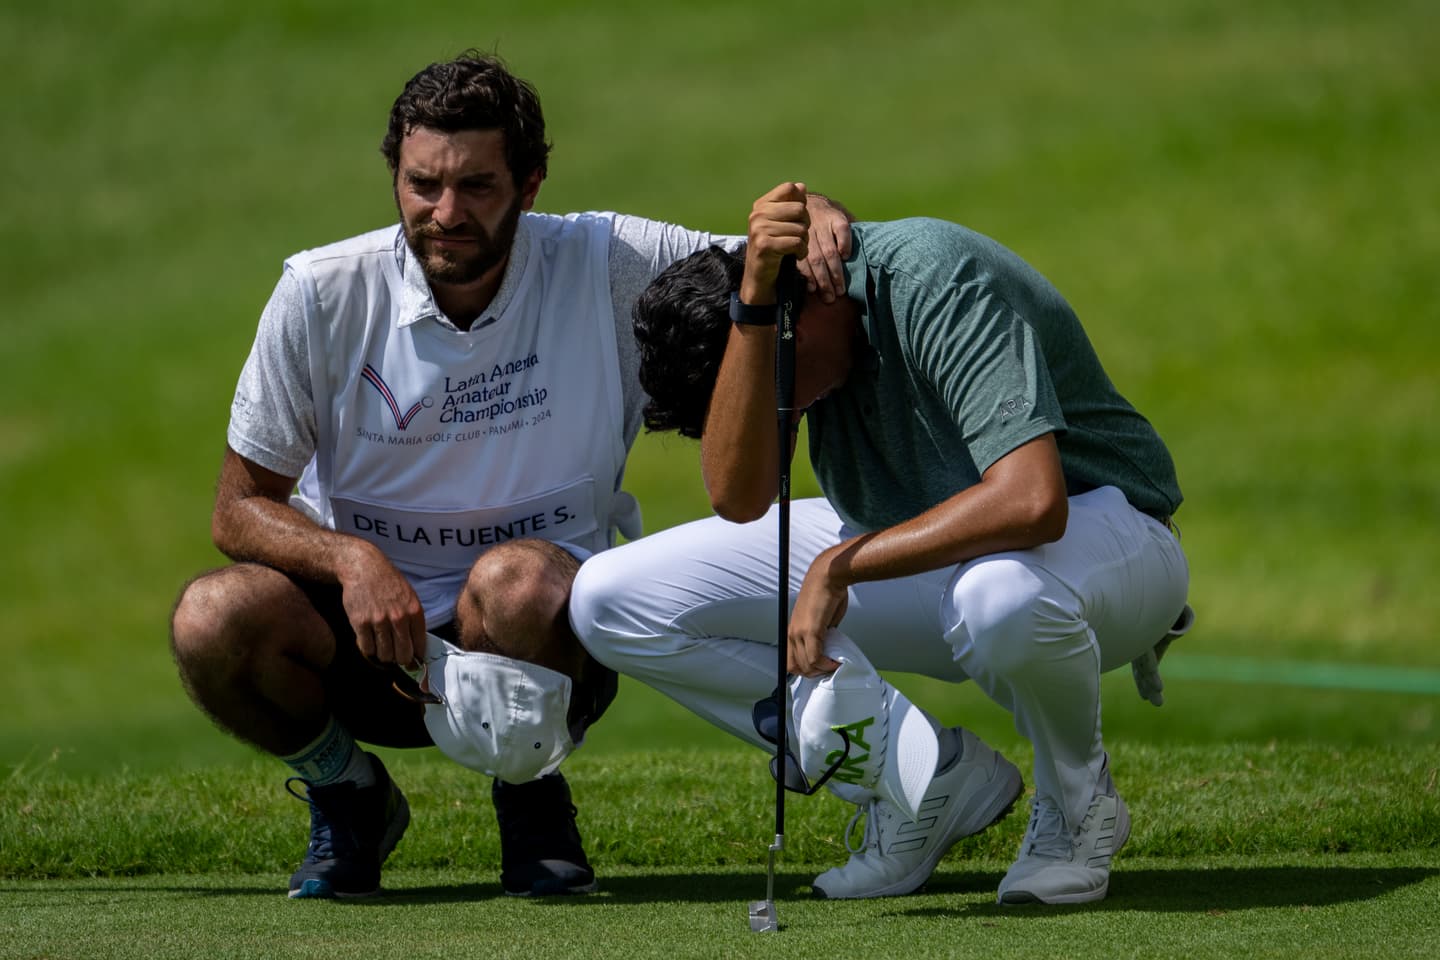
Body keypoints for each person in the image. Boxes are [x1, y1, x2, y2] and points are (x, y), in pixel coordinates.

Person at [168, 57, 852, 901]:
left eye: (477, 187)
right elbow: (239, 510)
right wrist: (351, 561)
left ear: (530, 185)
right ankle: (348, 793)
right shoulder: (320, 292)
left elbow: (759, 253)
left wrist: (816, 208)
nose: (444, 214)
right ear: (396, 173)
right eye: (422, 184)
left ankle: (530, 796)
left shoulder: (605, 259)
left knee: (514, 580)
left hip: (547, 634)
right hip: (369, 642)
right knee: (211, 616)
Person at [570, 181, 1193, 905]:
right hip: (932, 553)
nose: (789, 412)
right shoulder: (786, 307)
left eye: (782, 387)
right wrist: (756, 321)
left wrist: (841, 565)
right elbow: (738, 498)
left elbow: (1033, 502)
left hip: (1108, 544)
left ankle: (1079, 807)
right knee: (610, 598)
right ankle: (921, 784)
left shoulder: (932, 275)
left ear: (815, 300)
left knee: (999, 596)